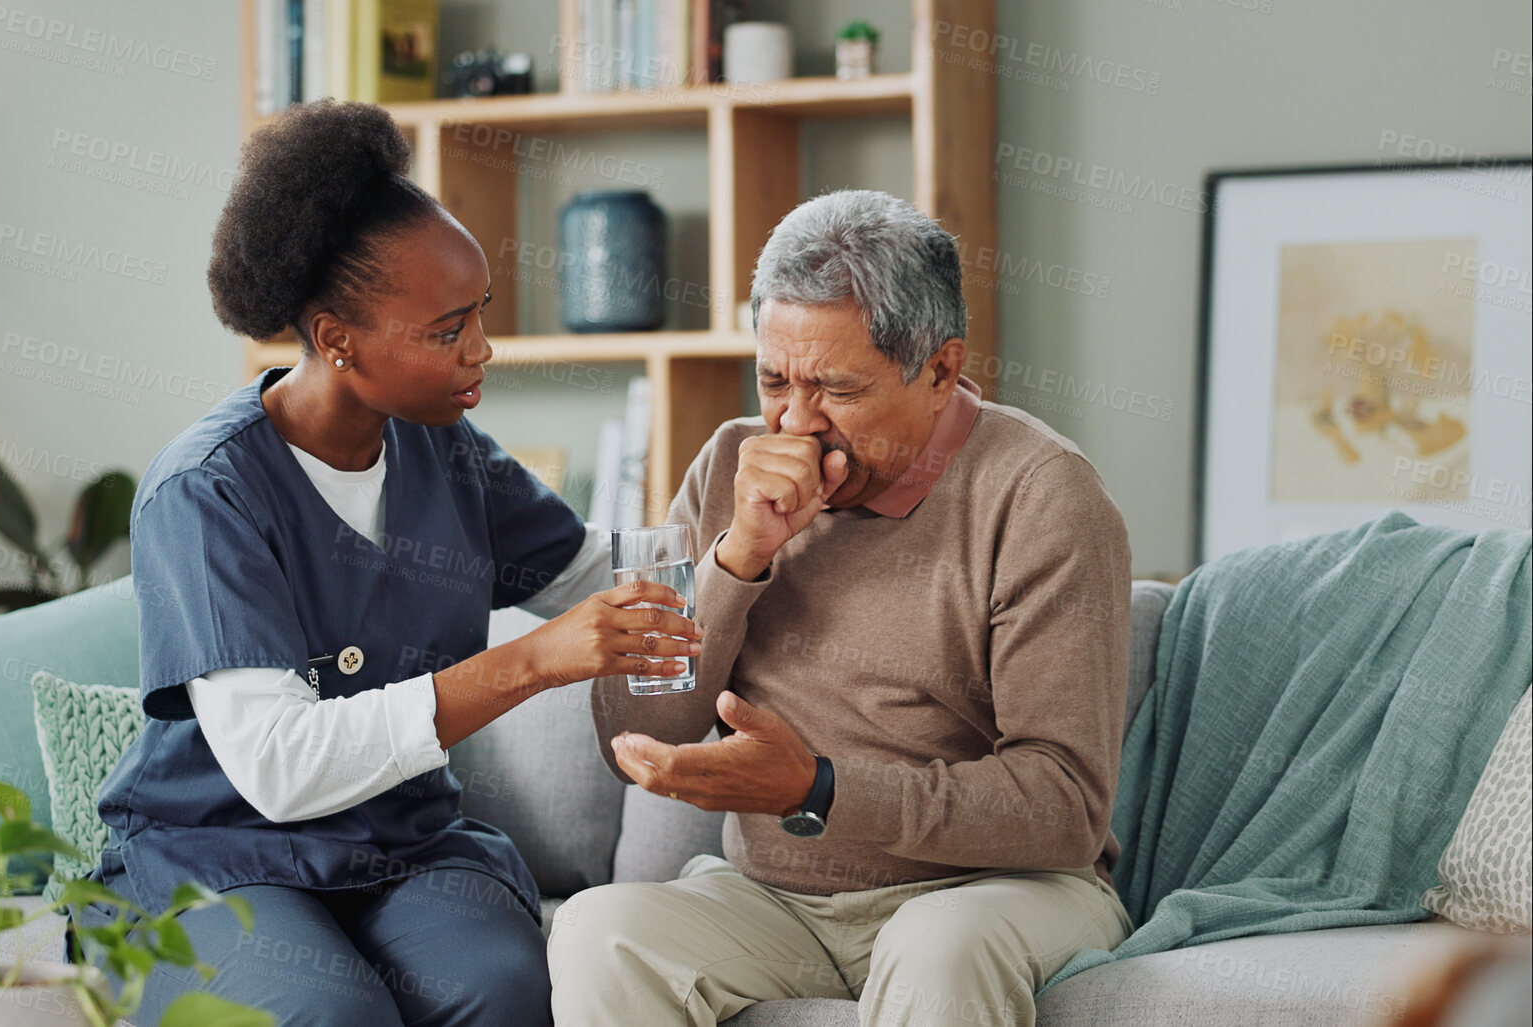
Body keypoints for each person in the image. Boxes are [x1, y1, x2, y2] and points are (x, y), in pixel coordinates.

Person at [85, 98, 701, 1027]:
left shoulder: (446, 451)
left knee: (500, 987)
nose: (481, 349)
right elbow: (280, 769)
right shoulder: (206, 492)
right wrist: (527, 662)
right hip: (220, 854)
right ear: (337, 339)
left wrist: (755, 523)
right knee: (327, 1014)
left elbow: (598, 572)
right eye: (446, 329)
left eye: (479, 315)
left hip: (400, 846)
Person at [548, 189, 1136, 1027]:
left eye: (835, 389)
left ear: (938, 369)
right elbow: (634, 732)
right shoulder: (723, 464)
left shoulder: (1041, 494)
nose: (794, 422)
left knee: (936, 948)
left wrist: (818, 788)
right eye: (773, 380)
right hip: (775, 900)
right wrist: (737, 558)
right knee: (598, 930)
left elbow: (1064, 807)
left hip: (996, 893)